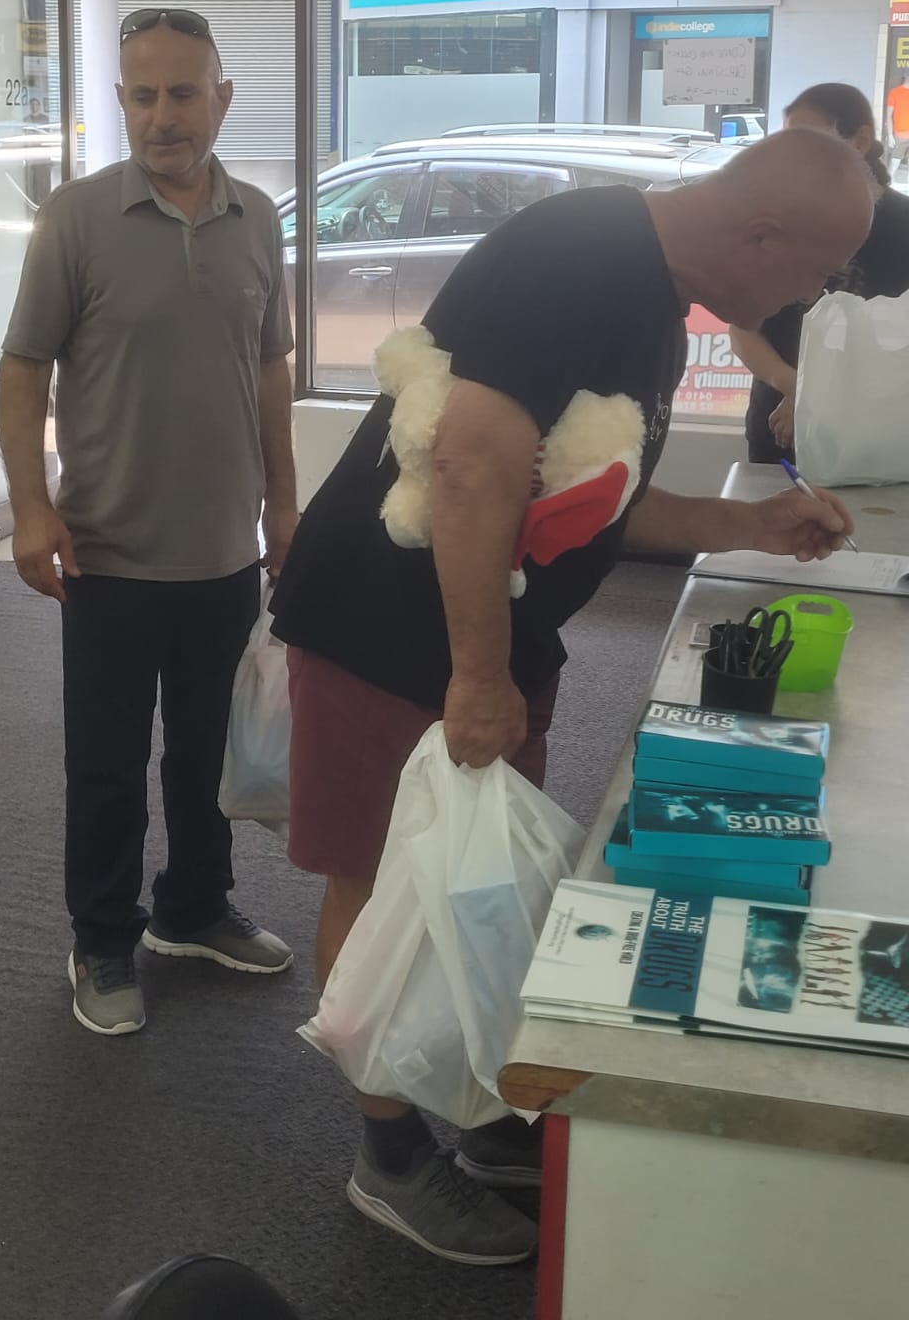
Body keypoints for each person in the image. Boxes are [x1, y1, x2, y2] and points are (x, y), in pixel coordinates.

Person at [270, 127, 871, 1265]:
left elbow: (589, 501)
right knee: (385, 880)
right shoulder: (579, 257)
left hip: (484, 632)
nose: (807, 297)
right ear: (758, 235)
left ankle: (475, 1099)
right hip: (385, 626)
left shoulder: (649, 295)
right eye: (812, 271)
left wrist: (747, 524)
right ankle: (386, 1153)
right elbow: (471, 463)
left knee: (475, 883)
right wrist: (478, 675)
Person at [0, 7, 298, 1037]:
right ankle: (103, 939)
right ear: (120, 101)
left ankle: (194, 908)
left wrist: (284, 503)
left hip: (223, 550)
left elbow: (270, 369)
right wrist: (29, 506)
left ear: (223, 97)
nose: (162, 116)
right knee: (109, 763)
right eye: (141, 94)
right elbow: (22, 371)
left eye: (182, 92)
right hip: (109, 552)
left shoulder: (257, 217)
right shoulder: (75, 218)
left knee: (212, 752)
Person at [731, 84, 909, 464]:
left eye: (809, 138)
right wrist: (796, 388)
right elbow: (743, 330)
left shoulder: (902, 226)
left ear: (861, 140)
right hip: (779, 433)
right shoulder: (774, 220)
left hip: (875, 438)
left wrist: (821, 396)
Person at [886, 74, 909, 183]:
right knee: (895, 160)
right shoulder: (895, 92)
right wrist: (890, 135)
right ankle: (888, 182)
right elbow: (889, 115)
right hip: (900, 134)